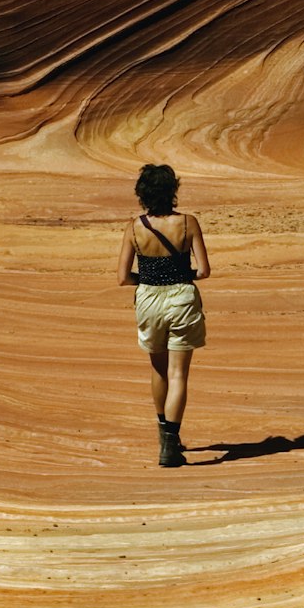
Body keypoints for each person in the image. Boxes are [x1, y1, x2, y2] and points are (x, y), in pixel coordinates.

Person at [119, 162, 209, 468]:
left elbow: (122, 277)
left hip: (148, 299)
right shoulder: (188, 223)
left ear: (142, 193)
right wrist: (180, 274)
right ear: (173, 190)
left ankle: (164, 436)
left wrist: (149, 281)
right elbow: (205, 270)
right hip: (181, 297)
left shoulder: (135, 226)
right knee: (178, 374)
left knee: (158, 371)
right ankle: (171, 445)